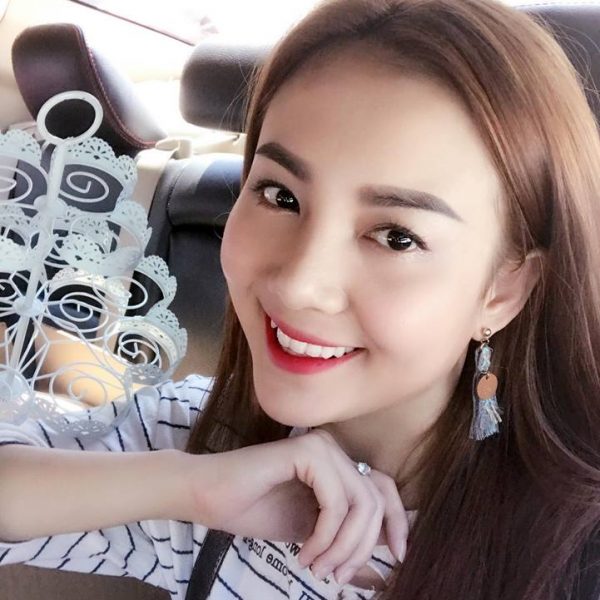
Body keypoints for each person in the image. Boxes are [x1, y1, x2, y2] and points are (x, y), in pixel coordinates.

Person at [1, 0, 600, 598]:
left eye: (396, 236)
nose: (296, 284)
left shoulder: (572, 557)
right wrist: (188, 488)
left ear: (502, 290)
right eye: (279, 195)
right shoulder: (211, 444)